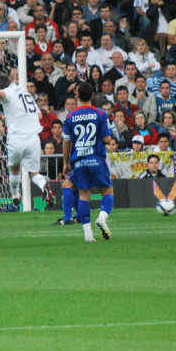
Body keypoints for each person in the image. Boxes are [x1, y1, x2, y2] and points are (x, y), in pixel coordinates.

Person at [0, 74, 54, 209]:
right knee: (34, 173)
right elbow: (40, 115)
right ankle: (44, 186)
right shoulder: (25, 94)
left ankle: (15, 195)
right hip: (34, 138)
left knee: (14, 169)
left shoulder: (8, 92)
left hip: (17, 138)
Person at [61, 81, 113, 242]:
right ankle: (102, 218)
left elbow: (66, 142)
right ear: (92, 95)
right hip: (96, 158)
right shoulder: (100, 114)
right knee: (107, 191)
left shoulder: (69, 116)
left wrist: (65, 163)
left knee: (84, 195)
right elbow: (107, 139)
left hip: (79, 161)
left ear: (76, 95)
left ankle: (88, 234)